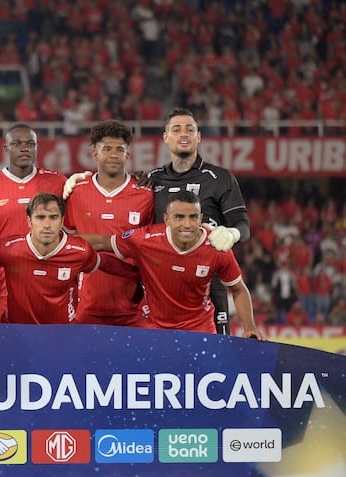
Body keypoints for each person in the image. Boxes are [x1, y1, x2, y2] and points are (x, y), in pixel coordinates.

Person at [63, 108, 250, 335]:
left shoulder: (220, 177)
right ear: (165, 137)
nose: (184, 134)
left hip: (208, 282)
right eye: (176, 129)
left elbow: (242, 224)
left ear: (199, 136)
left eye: (190, 129)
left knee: (212, 356)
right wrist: (81, 178)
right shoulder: (152, 181)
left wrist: (232, 234)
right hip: (159, 288)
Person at [83, 190, 265, 338]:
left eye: (193, 217)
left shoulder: (217, 247)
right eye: (179, 217)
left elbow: (238, 289)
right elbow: (103, 242)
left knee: (205, 380)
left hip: (198, 327)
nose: (187, 224)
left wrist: (250, 327)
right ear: (167, 219)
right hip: (151, 324)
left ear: (200, 218)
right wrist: (61, 243)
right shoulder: (145, 239)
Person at [0, 193, 137, 324]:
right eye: (40, 217)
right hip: (17, 330)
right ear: (29, 221)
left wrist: (140, 274)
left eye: (53, 217)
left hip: (62, 332)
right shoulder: (8, 249)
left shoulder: (79, 251)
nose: (47, 224)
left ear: (62, 221)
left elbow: (105, 263)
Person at [63, 120, 154, 327]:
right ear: (95, 154)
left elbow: (147, 249)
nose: (114, 154)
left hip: (133, 307)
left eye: (119, 149)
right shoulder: (77, 192)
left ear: (128, 155)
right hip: (86, 305)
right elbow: (68, 245)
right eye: (107, 149)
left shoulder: (145, 195)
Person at [0, 123, 67, 323]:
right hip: (5, 279)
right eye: (17, 144)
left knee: (51, 341)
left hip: (49, 276)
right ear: (6, 149)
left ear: (37, 148)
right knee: (4, 343)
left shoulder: (57, 182)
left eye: (30, 144)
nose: (24, 148)